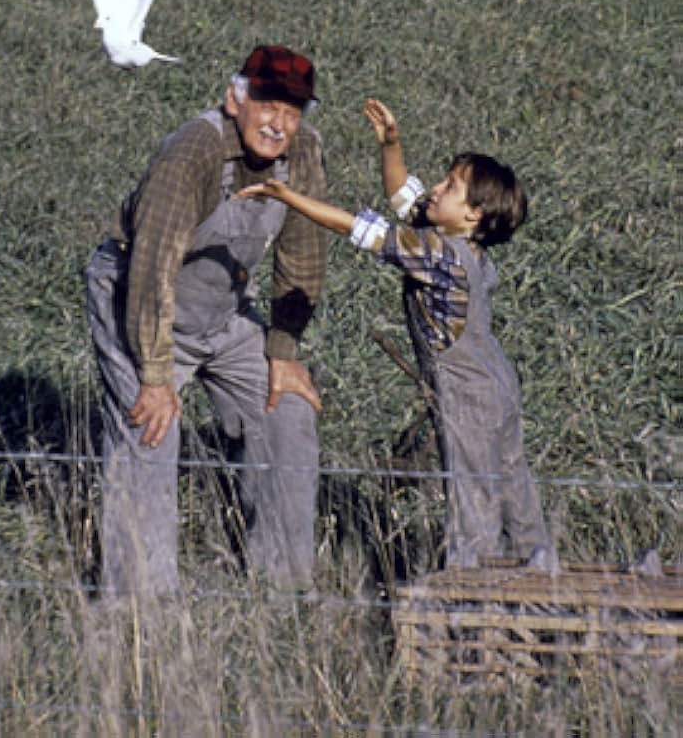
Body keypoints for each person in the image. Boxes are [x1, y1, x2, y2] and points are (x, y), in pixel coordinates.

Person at [238, 97, 556, 573]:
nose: (437, 187)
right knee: (512, 484)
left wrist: (288, 197)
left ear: (472, 214)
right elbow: (402, 197)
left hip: (468, 392)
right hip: (498, 383)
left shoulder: (439, 255)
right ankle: (539, 572)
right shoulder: (460, 247)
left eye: (451, 186)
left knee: (473, 494)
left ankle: (473, 585)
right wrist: (391, 144)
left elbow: (358, 229)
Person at [86, 45, 328, 601]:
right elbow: (152, 266)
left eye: (293, 111)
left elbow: (305, 250)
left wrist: (284, 349)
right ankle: (142, 609)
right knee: (152, 432)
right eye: (268, 104)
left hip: (223, 311)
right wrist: (154, 375)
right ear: (235, 98)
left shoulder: (305, 153)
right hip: (140, 303)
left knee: (287, 413)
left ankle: (284, 593)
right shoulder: (193, 152)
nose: (279, 124)